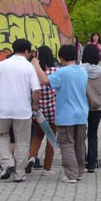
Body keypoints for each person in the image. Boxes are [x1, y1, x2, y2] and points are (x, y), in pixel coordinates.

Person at [32, 45, 88, 183]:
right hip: (81, 113)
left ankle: (71, 174)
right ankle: (79, 171)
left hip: (66, 114)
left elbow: (45, 80)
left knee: (66, 143)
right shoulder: (82, 71)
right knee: (79, 144)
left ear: (62, 58)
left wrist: (36, 65)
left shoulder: (63, 72)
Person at [0, 38, 41, 183]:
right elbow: (36, 89)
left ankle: (7, 163)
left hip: (3, 109)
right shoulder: (28, 66)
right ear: (26, 51)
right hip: (23, 110)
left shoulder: (1, 65)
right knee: (22, 141)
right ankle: (19, 174)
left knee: (0, 135)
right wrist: (35, 103)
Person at [27, 45, 59, 175]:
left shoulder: (34, 72)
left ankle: (31, 157)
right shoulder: (56, 71)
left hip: (38, 110)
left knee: (37, 136)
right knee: (51, 138)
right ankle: (47, 168)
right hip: (53, 111)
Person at [80, 44, 101, 173]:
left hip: (82, 105)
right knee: (93, 134)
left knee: (81, 134)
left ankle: (82, 160)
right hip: (97, 106)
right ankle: (92, 163)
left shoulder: (79, 70)